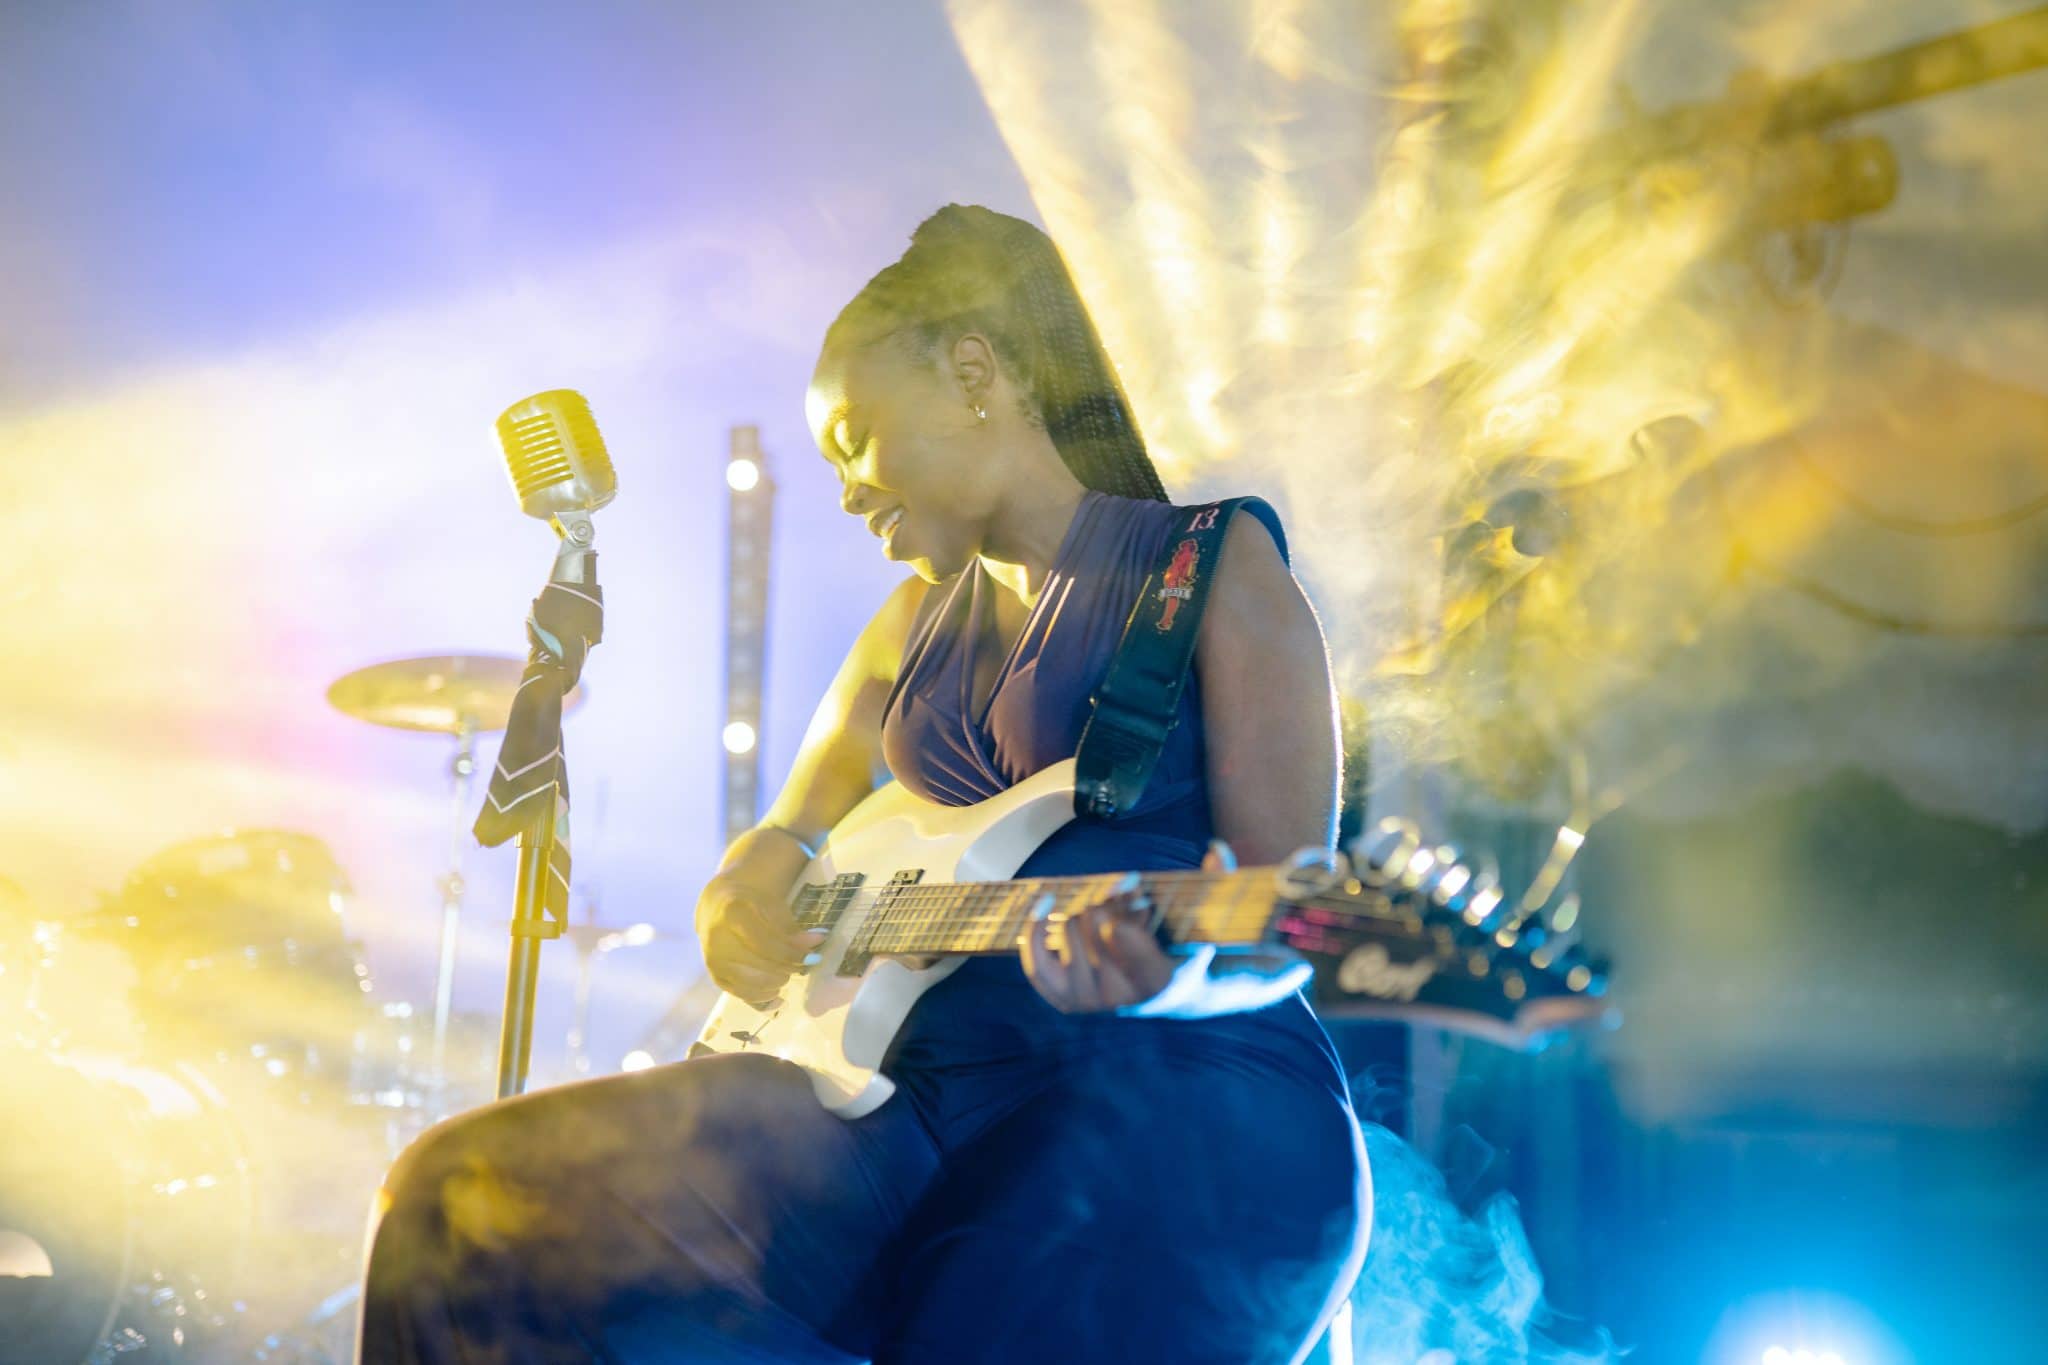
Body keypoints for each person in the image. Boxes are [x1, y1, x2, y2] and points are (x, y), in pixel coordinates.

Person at [357, 204, 1369, 1364]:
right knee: (461, 1201)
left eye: (854, 438)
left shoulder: (1207, 565)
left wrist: (1165, 978)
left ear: (973, 374)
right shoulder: (903, 628)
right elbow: (787, 831)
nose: (843, 489)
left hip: (1174, 1103)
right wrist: (738, 894)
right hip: (889, 1105)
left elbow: (1294, 922)